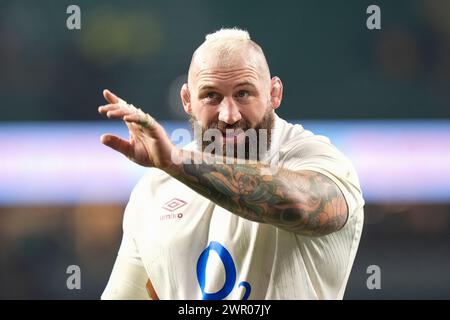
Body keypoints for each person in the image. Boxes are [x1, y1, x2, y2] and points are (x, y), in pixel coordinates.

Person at [99, 28, 364, 300]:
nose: (229, 115)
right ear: (187, 100)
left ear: (274, 93)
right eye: (211, 95)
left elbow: (302, 206)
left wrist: (176, 162)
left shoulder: (316, 159)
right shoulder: (154, 188)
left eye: (243, 93)